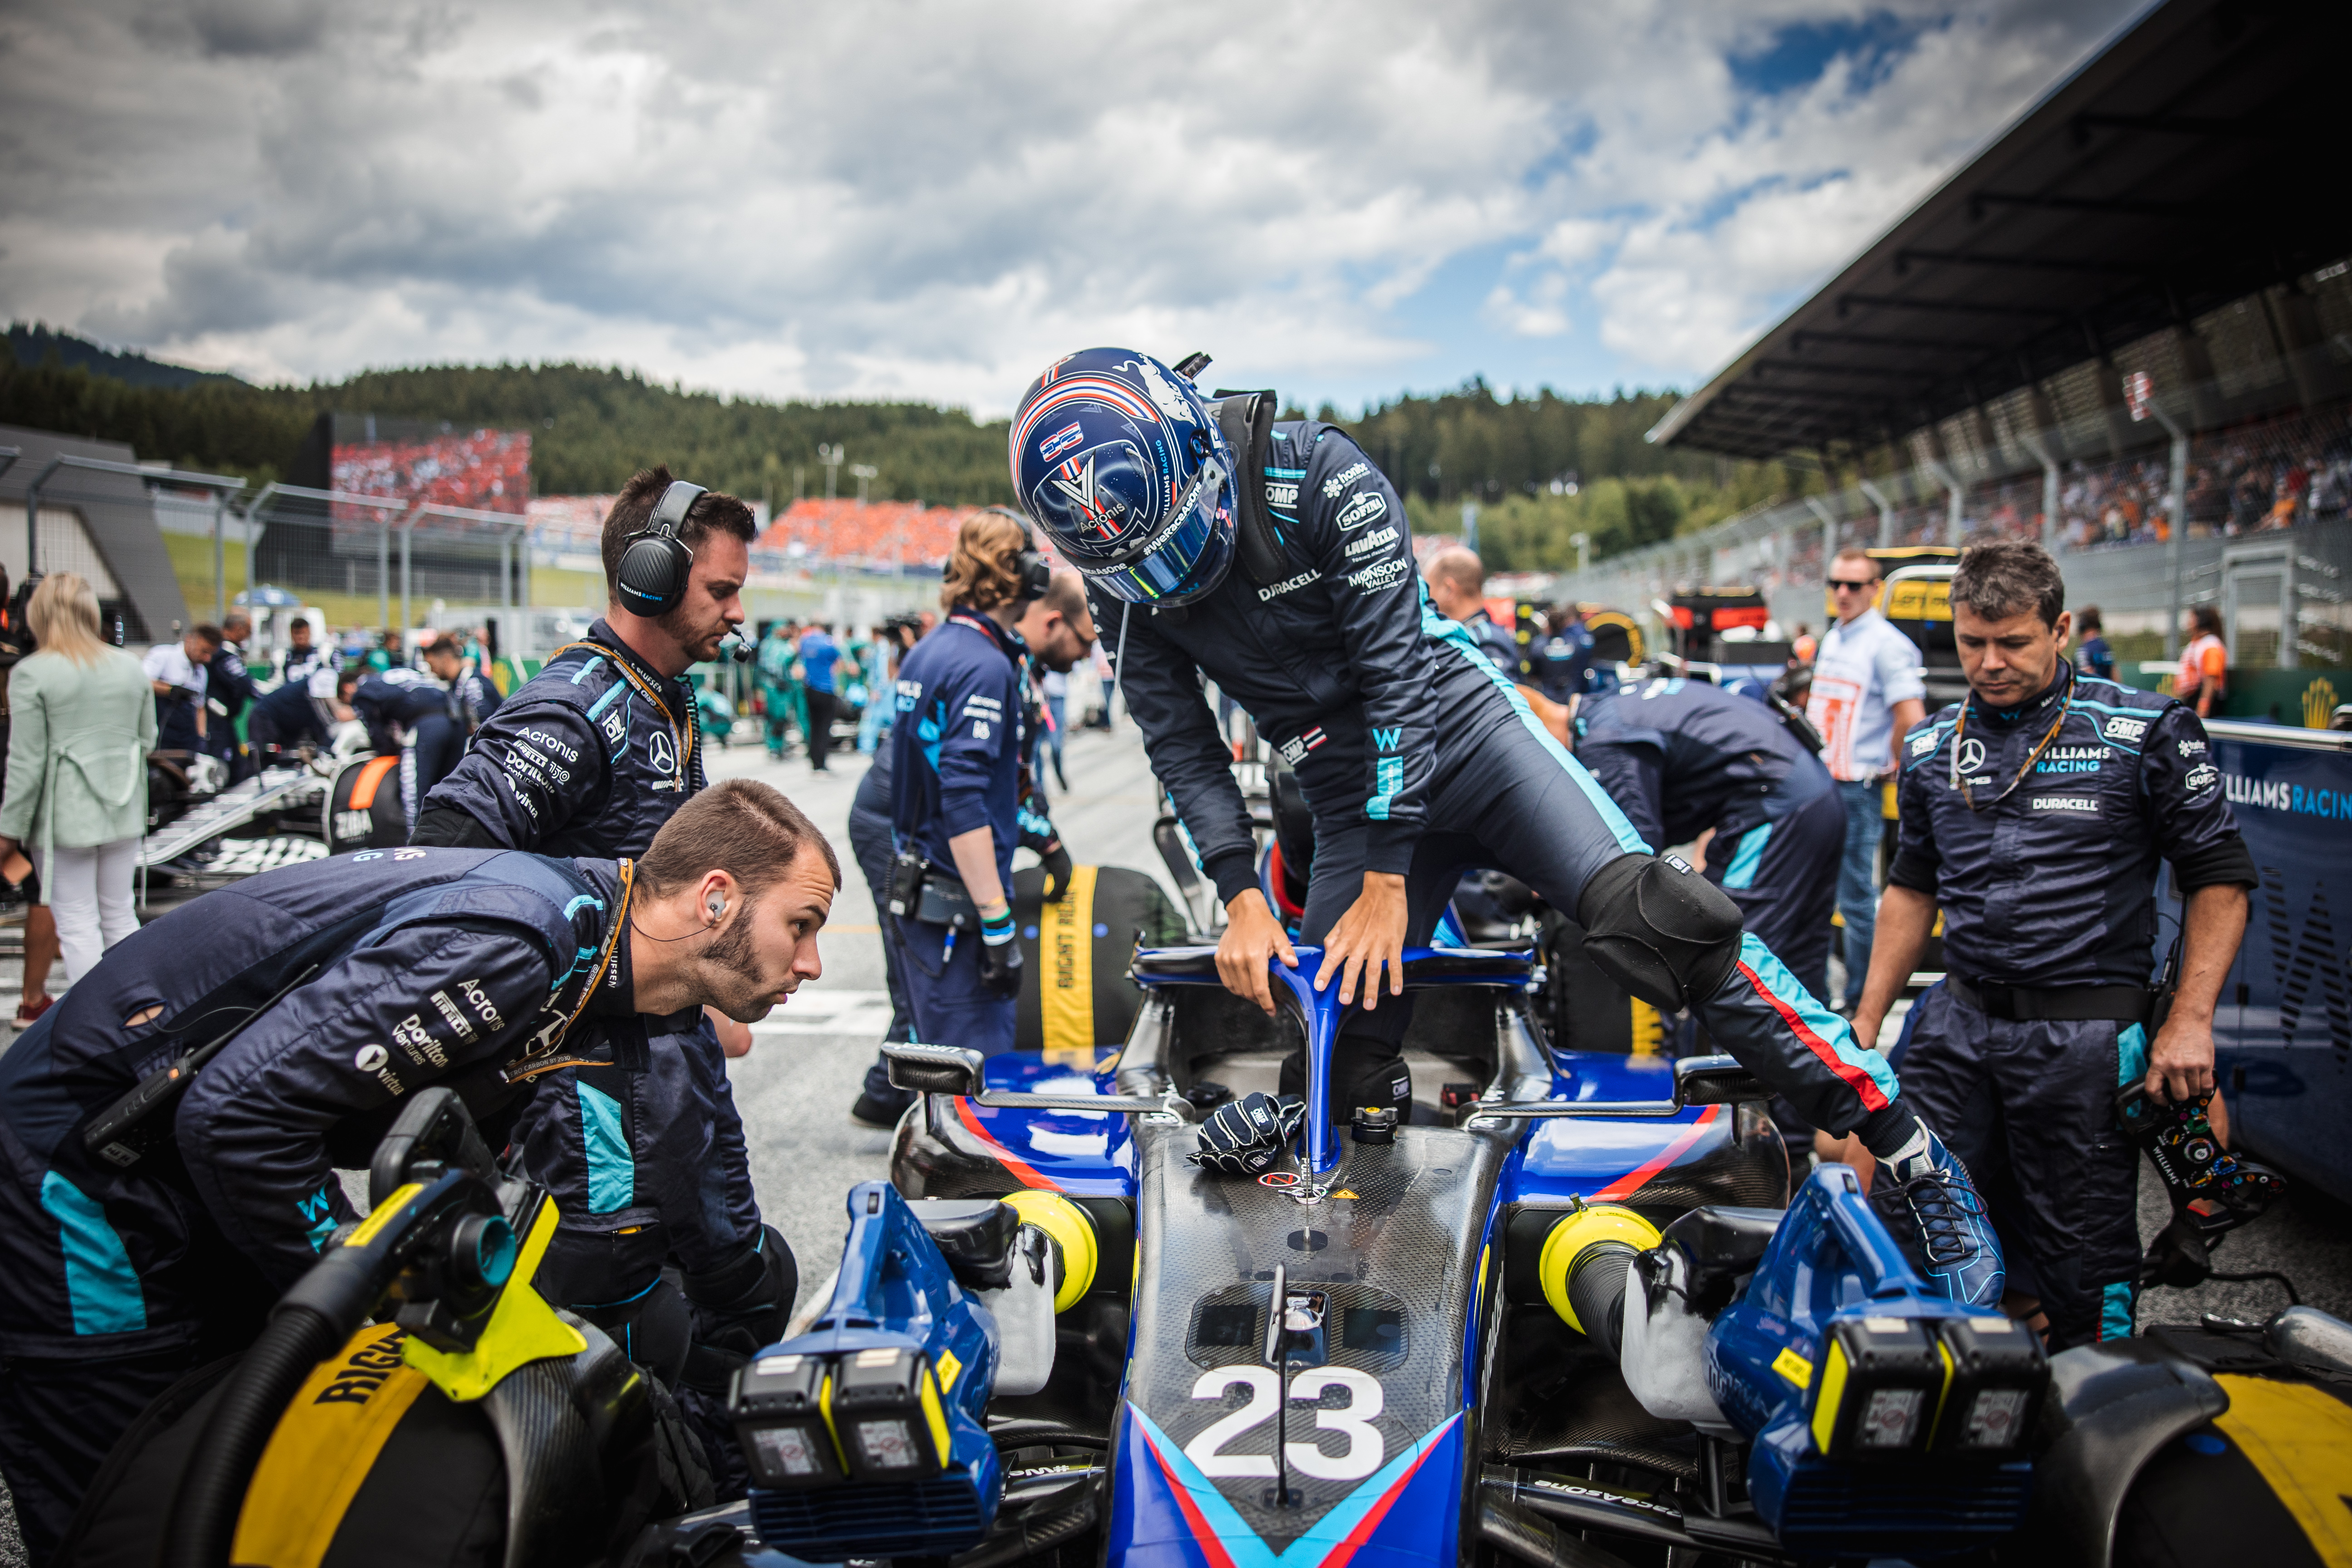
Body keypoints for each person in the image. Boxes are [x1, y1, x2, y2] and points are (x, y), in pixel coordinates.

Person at [1012, 348, 1997, 1309]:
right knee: (1335, 1044)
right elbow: (1180, 743)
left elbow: (1394, 667)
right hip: (1343, 779)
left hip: (1466, 731)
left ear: (1195, 453)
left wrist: (1390, 877)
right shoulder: (1121, 572)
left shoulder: (1310, 469)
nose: (1170, 576)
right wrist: (1238, 893)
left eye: (1178, 541)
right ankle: (1362, 1264)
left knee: (1660, 918)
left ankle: (1907, 1149)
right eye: (1141, 565)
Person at [0, 779, 839, 1562]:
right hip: (79, 1168)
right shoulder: (521, 938)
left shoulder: (600, 944)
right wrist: (367, 1303)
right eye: (800, 925)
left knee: (233, 1446)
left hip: (177, 1161)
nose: (810, 963)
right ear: (717, 897)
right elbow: (240, 1115)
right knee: (134, 1488)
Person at [407, 470, 780, 1481]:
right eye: (720, 591)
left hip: (668, 1073)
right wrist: (594, 966)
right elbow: (443, 855)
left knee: (743, 1293)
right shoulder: (580, 705)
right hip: (590, 1098)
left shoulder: (663, 696)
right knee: (630, 1328)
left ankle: (710, 1496)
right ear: (649, 576)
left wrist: (698, 987)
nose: (738, 612)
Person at [1847, 540, 2254, 1349]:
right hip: (1955, 1027)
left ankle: (2088, 1431)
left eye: (2013, 642)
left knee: (2081, 1266)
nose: (1989, 662)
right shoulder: (1929, 746)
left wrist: (2190, 1022)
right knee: (1910, 1232)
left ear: (2060, 627)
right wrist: (1862, 1026)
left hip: (2081, 1039)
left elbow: (2219, 878)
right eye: (1972, 642)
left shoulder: (2145, 729)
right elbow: (1910, 888)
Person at [852, 570, 1094, 1126]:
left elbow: (1010, 781)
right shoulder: (990, 662)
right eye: (1084, 642)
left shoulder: (1003, 657)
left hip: (936, 814)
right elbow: (972, 790)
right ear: (1053, 620)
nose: (1085, 657)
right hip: (897, 819)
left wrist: (1043, 836)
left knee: (933, 966)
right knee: (927, 963)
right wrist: (997, 919)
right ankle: (907, 1099)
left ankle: (893, 1093)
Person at [884, 512, 1050, 1065]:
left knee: (937, 1074)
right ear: (1018, 572)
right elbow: (962, 799)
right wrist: (999, 927)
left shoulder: (930, 649)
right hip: (956, 917)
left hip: (923, 902)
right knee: (976, 1090)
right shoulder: (985, 665)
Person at [1570, 675, 1843, 1005]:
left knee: (1725, 964)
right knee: (1797, 966)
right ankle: (1822, 1057)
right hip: (1813, 792)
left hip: (1775, 808)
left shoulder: (1603, 740)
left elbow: (1631, 862)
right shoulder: (1617, 703)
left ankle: (1725, 1058)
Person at [0, 573, 155, 989]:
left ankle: (96, 1028)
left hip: (65, 816)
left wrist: (9, 831)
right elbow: (148, 739)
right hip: (124, 808)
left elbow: (27, 763)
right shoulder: (131, 667)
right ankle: (137, 1014)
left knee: (78, 923)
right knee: (120, 913)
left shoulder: (33, 673)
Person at [1805, 548, 1927, 1011]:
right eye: (1835, 583)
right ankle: (1819, 1001)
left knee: (1856, 900)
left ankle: (1861, 1005)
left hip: (1857, 787)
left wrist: (1893, 766)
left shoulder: (1886, 643)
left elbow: (1911, 718)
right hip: (1824, 782)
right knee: (1817, 895)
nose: (1842, 592)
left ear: (1875, 589)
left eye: (1854, 585)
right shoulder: (1837, 636)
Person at [244, 663, 358, 761]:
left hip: (287, 726)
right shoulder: (327, 678)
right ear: (347, 687)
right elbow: (341, 715)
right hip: (266, 718)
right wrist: (362, 711)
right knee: (259, 763)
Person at [142, 623, 220, 754]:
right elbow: (143, 683)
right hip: (161, 735)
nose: (208, 659)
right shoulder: (163, 655)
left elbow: (200, 708)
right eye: (204, 652)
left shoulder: (202, 672)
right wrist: (171, 690)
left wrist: (202, 737)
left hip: (187, 738)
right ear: (189, 640)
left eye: (211, 654)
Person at [207, 612, 259, 781]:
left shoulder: (227, 652)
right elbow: (248, 686)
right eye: (249, 631)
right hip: (215, 722)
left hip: (225, 723)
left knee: (236, 765)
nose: (249, 636)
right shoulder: (224, 654)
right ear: (238, 628)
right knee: (224, 770)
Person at [799, 621, 842, 771]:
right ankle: (822, 762)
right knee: (824, 727)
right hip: (826, 689)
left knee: (813, 725)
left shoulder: (805, 641)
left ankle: (814, 760)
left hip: (810, 688)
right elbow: (839, 663)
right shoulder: (828, 643)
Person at [1533, 602, 1596, 703]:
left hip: (1549, 697)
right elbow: (1585, 666)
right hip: (1573, 695)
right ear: (1564, 624)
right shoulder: (1577, 643)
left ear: (1548, 625)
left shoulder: (1539, 645)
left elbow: (1534, 674)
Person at [2177, 603, 2227, 718]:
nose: (2188, 622)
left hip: (2202, 700)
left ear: (2201, 621)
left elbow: (2210, 679)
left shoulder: (2211, 646)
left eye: (2192, 618)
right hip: (2191, 699)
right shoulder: (2198, 644)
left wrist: (2202, 709)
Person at [757, 620, 798, 759]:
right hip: (773, 686)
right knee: (774, 717)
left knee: (783, 717)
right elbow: (768, 666)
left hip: (784, 687)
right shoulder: (768, 645)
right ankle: (773, 746)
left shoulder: (784, 644)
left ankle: (780, 746)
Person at [270, 615, 331, 687]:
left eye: (303, 633)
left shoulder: (323, 654)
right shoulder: (282, 657)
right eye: (297, 633)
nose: (301, 637)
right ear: (291, 634)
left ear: (309, 632)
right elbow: (275, 685)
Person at [2072, 606, 2114, 682]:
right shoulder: (2105, 648)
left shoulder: (2083, 651)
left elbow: (2087, 679)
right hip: (2109, 692)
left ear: (2081, 626)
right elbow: (2115, 675)